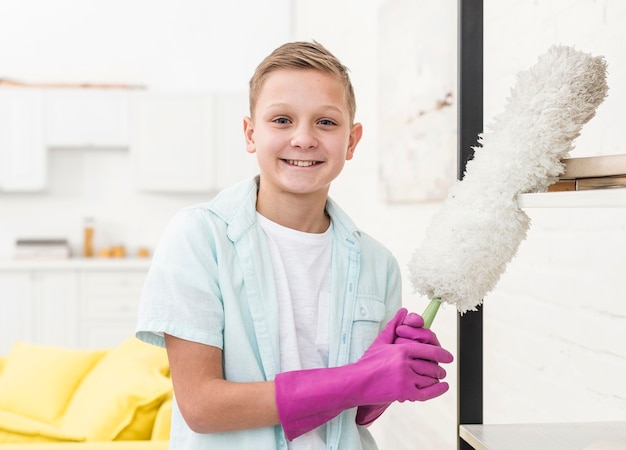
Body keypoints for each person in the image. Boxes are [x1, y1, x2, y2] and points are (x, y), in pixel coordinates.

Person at [136, 40, 453, 450]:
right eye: (282, 120)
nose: (303, 139)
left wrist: (388, 374)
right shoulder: (199, 238)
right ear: (251, 134)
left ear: (352, 141)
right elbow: (202, 406)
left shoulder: (378, 263)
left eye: (326, 122)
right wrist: (360, 377)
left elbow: (356, 413)